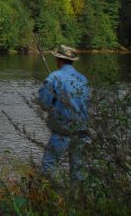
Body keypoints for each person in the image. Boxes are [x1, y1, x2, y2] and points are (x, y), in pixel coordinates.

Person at [38, 45, 90, 180]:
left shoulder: (54, 77)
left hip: (63, 131)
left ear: (58, 59)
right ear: (72, 60)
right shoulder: (83, 79)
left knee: (49, 165)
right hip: (82, 132)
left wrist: (53, 100)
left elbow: (43, 103)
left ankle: (56, 197)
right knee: (78, 169)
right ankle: (78, 198)